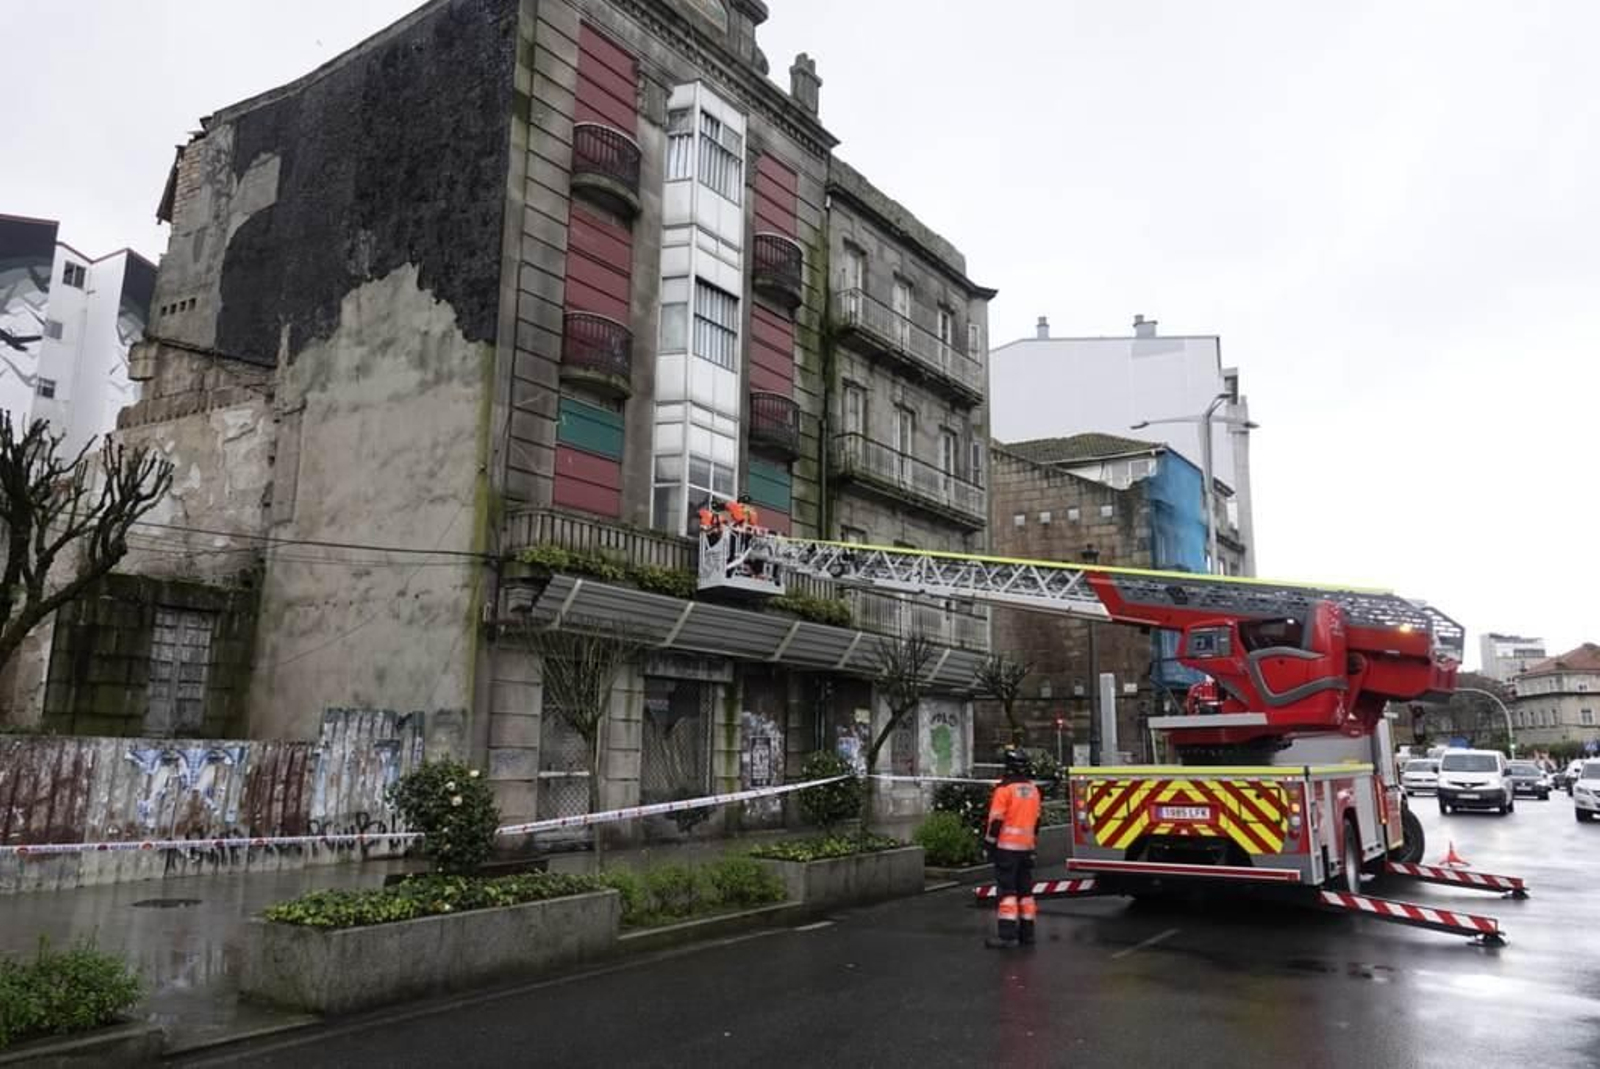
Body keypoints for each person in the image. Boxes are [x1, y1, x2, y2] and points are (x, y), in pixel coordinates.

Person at [984, 747, 1041, 949]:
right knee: (1025, 893)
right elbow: (1036, 822)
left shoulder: (1004, 790)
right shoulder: (1033, 789)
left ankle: (1007, 936)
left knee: (1007, 892)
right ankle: (1028, 934)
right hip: (1027, 848)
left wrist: (989, 845)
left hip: (1007, 848)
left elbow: (996, 821)